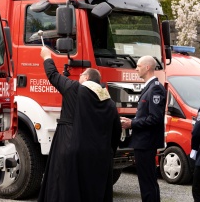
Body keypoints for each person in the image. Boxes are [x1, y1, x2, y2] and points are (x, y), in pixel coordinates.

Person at [38, 46, 122, 202]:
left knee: (65, 188)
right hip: (99, 154)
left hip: (70, 145)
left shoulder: (74, 89)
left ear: (87, 78)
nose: (79, 77)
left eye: (82, 74)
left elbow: (53, 75)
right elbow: (116, 130)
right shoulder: (109, 102)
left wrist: (47, 57)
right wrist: (109, 151)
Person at [121, 55, 166, 202]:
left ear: (147, 68)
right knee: (147, 181)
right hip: (144, 142)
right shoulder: (150, 87)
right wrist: (132, 121)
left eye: (138, 66)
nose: (136, 69)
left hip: (146, 143)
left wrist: (132, 124)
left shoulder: (155, 89)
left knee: (147, 182)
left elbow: (155, 118)